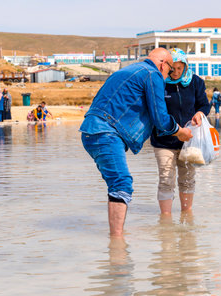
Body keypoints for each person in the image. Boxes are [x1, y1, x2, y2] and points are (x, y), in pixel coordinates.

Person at [79, 48, 193, 237]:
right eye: (170, 70)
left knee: (117, 182)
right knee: (121, 183)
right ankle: (117, 247)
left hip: (91, 131)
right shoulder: (152, 73)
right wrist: (180, 132)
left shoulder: (127, 71)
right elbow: (161, 118)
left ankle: (117, 239)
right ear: (163, 63)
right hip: (106, 133)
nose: (168, 76)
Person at [150, 48, 210, 214]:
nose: (175, 72)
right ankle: (166, 218)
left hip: (189, 140)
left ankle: (187, 214)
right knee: (166, 179)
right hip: (163, 141)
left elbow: (204, 105)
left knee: (188, 179)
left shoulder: (196, 82)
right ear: (167, 66)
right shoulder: (158, 83)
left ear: (186, 66)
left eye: (179, 68)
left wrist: (199, 113)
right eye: (172, 68)